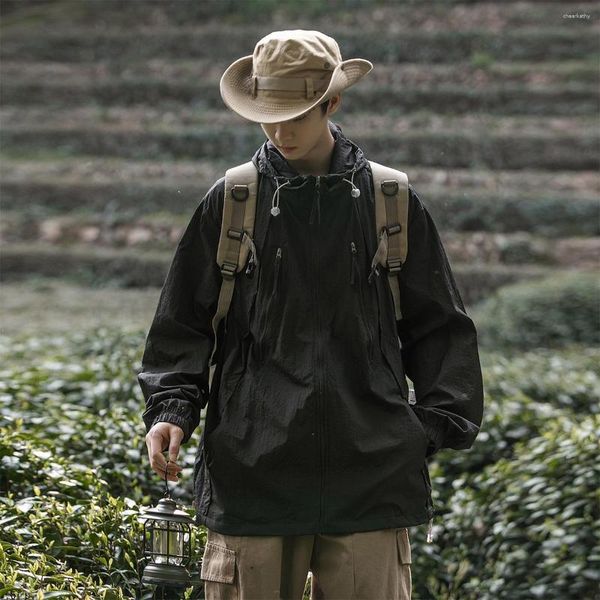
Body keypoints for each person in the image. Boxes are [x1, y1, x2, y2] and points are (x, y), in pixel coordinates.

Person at [138, 29, 484, 600]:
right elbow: (182, 325)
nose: (280, 131)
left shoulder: (390, 201)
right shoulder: (231, 202)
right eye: (268, 115)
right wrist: (171, 410)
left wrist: (419, 431)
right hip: (252, 469)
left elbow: (441, 327)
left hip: (371, 477)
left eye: (296, 114)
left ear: (332, 103)